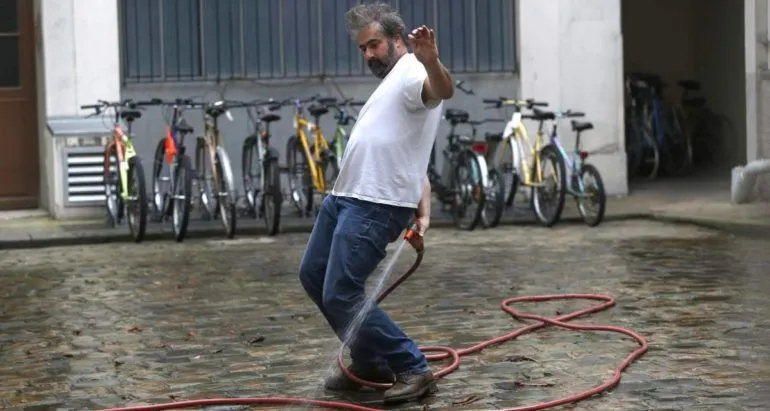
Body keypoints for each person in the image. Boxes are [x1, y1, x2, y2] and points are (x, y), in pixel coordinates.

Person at [297, 1, 454, 405]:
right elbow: (406, 150)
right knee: (314, 275)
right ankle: (369, 361)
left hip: (374, 205)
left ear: (398, 40)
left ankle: (413, 367)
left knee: (342, 291)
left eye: (374, 45)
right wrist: (423, 202)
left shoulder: (413, 73)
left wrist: (433, 61)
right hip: (345, 198)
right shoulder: (391, 81)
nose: (368, 54)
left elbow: (441, 90)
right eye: (363, 48)